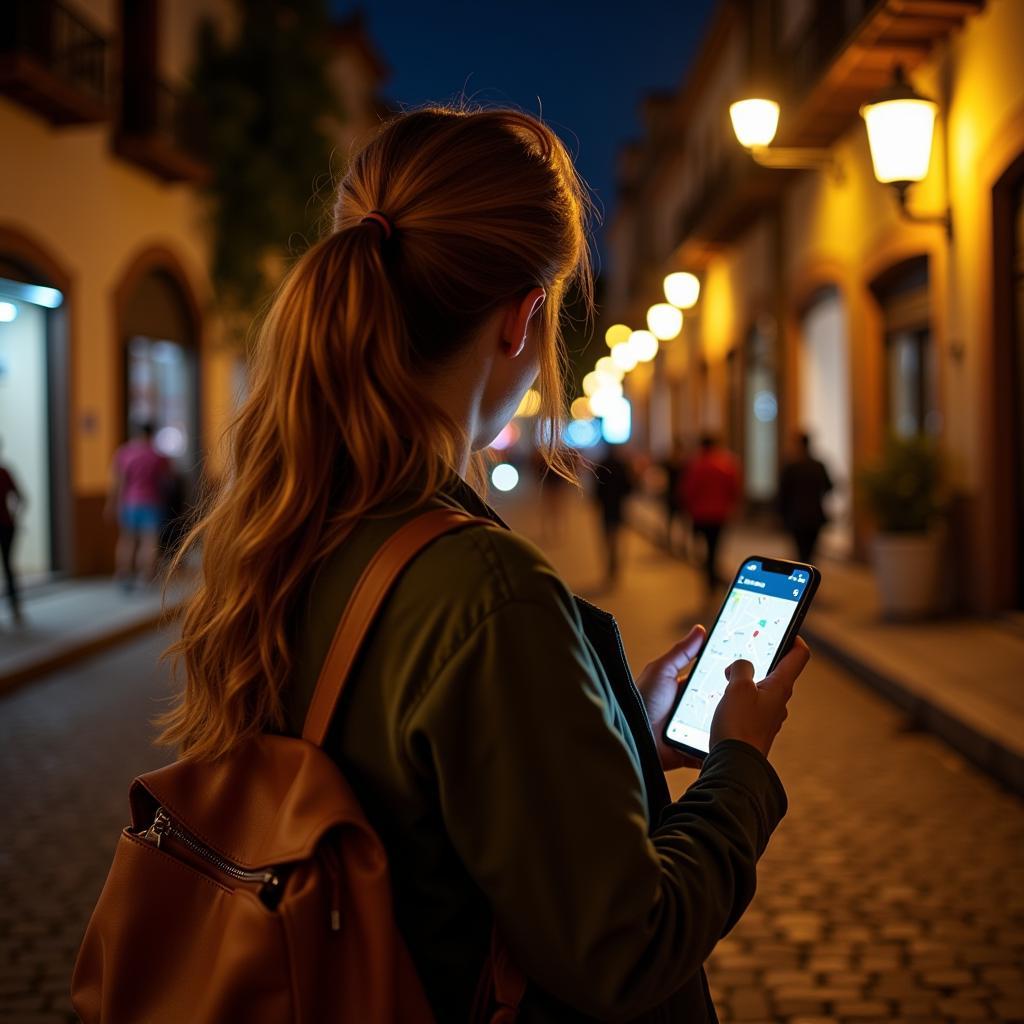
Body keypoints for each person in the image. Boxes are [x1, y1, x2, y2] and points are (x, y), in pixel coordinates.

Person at [158, 107, 809, 1023]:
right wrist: (738, 760)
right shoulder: (486, 589)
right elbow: (625, 949)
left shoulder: (301, 525)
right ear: (521, 318)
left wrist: (621, 729)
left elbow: (435, 813)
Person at [106, 422, 170, 588]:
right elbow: (166, 479)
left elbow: (117, 482)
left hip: (129, 502)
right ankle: (146, 575)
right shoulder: (157, 455)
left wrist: (112, 504)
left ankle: (123, 573)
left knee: (127, 539)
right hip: (152, 502)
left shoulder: (124, 453)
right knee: (149, 540)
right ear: (151, 434)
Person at [681, 434, 742, 592]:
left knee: (702, 545)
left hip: (700, 513)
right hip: (719, 513)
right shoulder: (727, 464)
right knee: (715, 545)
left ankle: (708, 574)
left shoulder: (696, 464)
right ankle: (711, 574)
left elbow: (688, 490)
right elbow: (734, 488)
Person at [779, 431, 833, 564]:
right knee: (810, 550)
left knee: (801, 550)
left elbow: (783, 493)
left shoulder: (792, 467)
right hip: (814, 515)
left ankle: (805, 577)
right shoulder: (818, 466)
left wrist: (781, 514)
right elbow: (829, 487)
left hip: (796, 515)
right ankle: (809, 575)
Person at [593, 444, 633, 586]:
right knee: (617, 537)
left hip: (606, 508)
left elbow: (596, 488)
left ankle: (611, 565)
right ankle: (615, 566)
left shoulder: (602, 465)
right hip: (619, 507)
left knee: (608, 538)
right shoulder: (622, 466)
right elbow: (629, 487)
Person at [0, 439, 24, 624]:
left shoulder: (4, 473)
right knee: (8, 566)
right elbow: (22, 498)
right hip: (8, 525)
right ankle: (15, 607)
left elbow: (21, 498)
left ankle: (15, 606)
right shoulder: (4, 472)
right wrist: (14, 517)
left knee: (8, 566)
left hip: (6, 525)